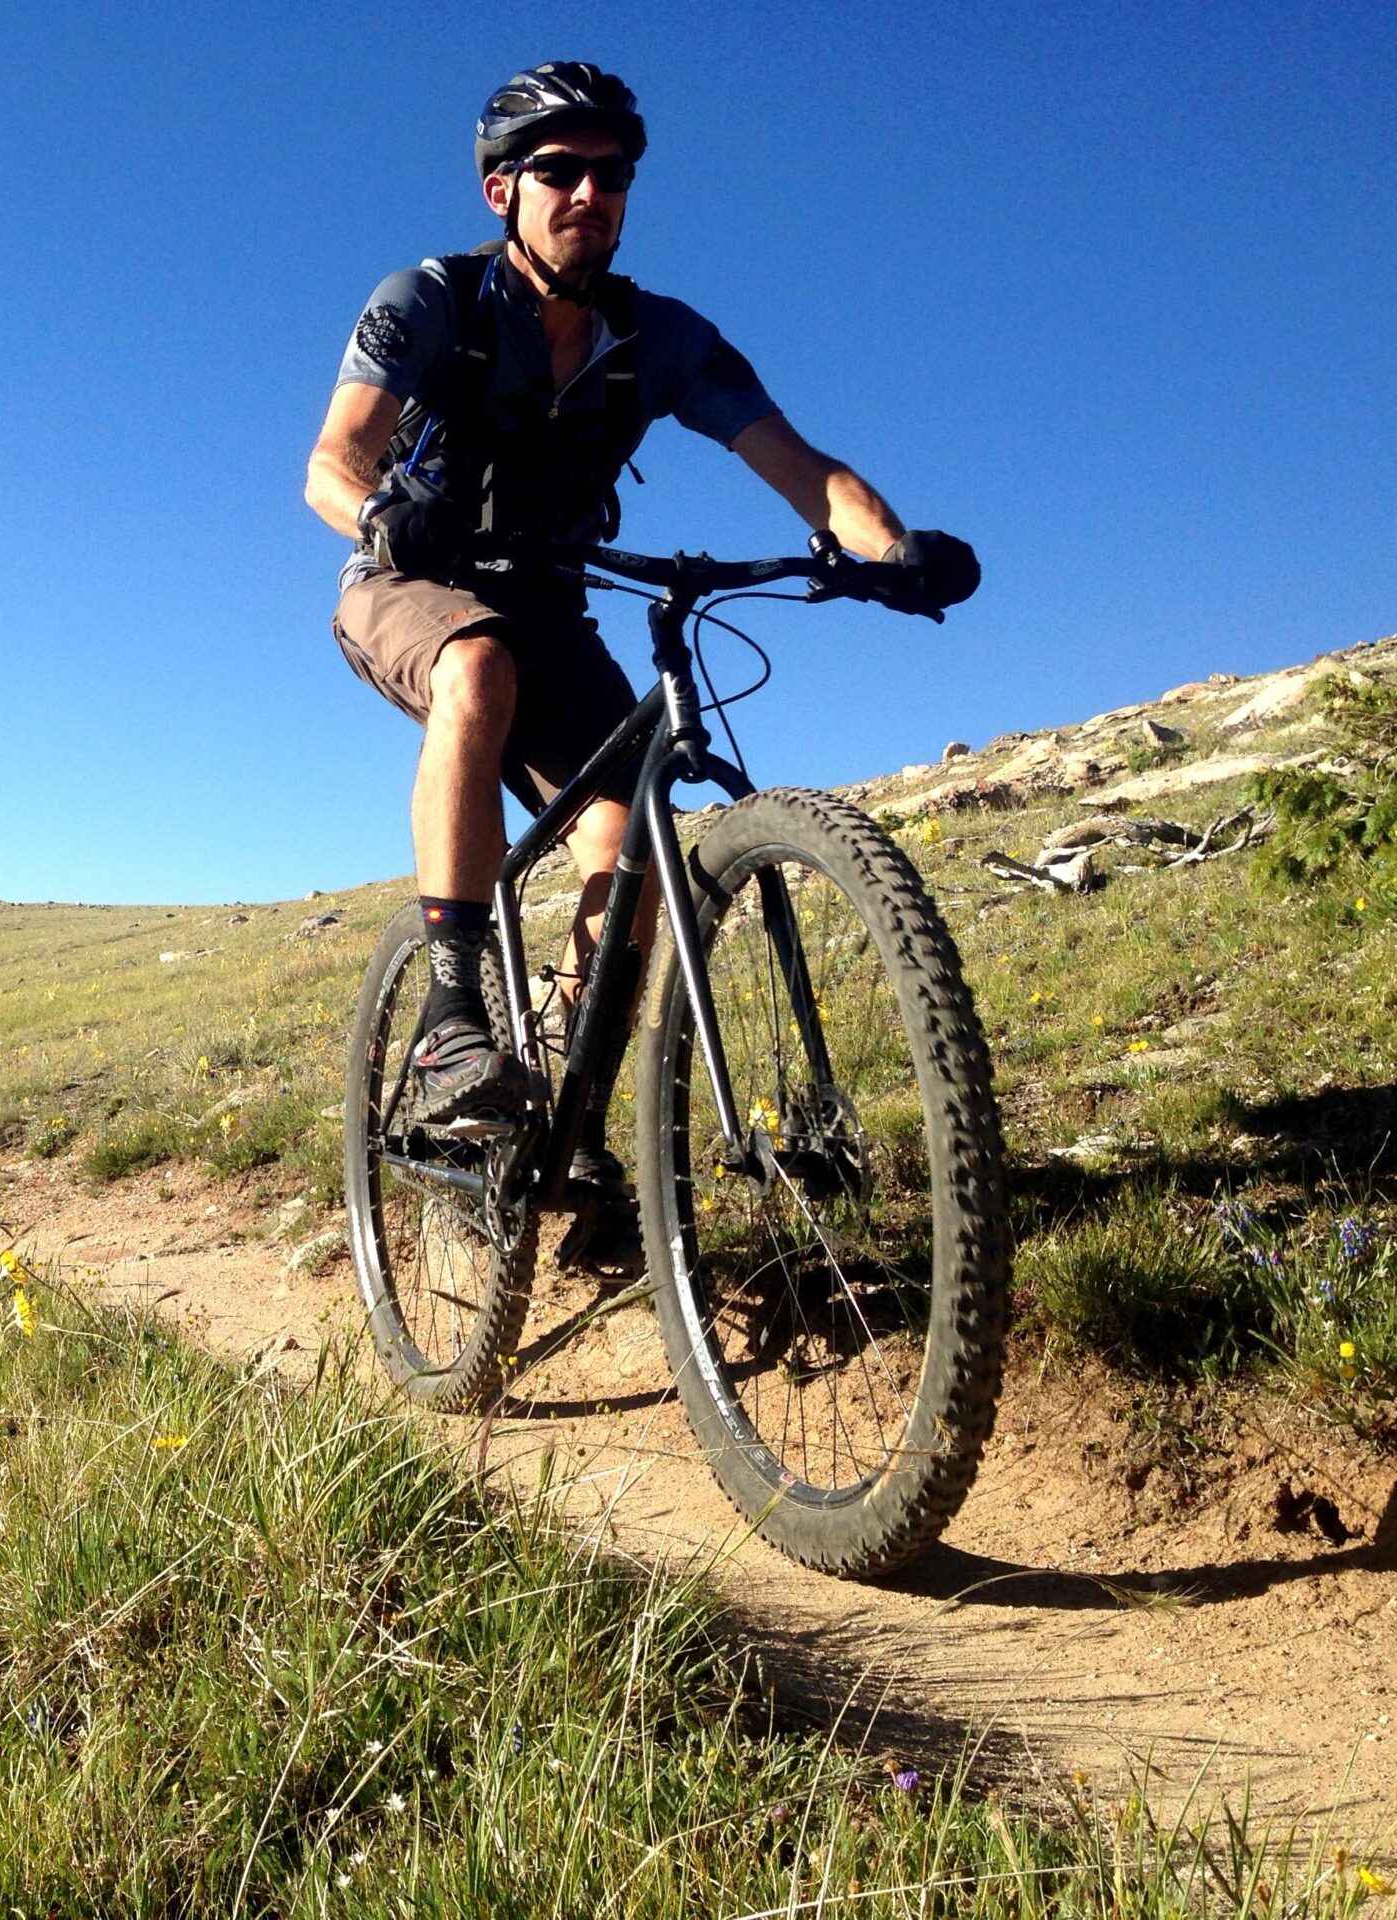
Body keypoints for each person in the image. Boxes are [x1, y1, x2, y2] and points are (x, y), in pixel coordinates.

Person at [306, 60, 978, 1233]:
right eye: (557, 171)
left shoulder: (659, 337)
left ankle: (552, 1119)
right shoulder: (428, 301)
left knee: (628, 860)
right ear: (500, 191)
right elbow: (330, 460)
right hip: (407, 580)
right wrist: (379, 513)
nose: (587, 193)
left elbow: (800, 467)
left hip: (553, 607)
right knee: (477, 665)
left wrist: (889, 549)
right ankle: (452, 1023)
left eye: (610, 174)